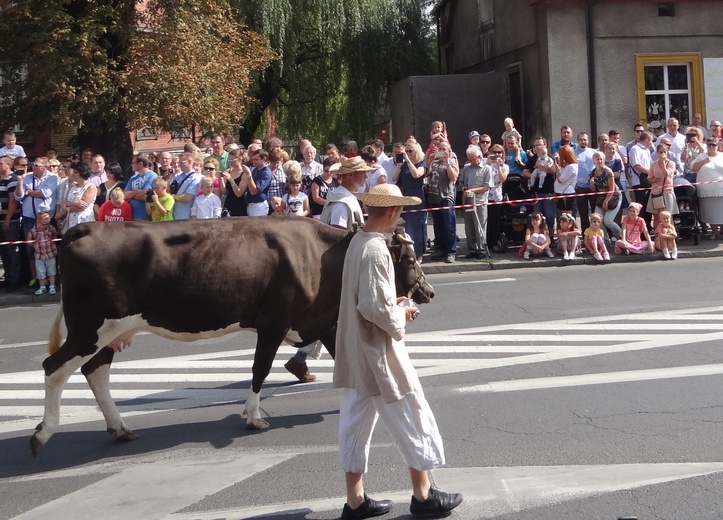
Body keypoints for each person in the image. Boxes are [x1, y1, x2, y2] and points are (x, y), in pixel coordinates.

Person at [334, 182, 463, 520]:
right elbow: (374, 307)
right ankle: (423, 496)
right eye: (400, 211)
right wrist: (401, 313)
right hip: (378, 352)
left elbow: (365, 299)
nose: (400, 217)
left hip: (356, 349)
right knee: (411, 414)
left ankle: (356, 501)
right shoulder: (376, 249)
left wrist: (392, 304)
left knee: (354, 425)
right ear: (390, 211)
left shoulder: (358, 241)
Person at [285, 156, 373, 384]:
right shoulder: (342, 203)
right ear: (351, 176)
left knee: (327, 318)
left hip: (341, 265)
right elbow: (337, 235)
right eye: (362, 172)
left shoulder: (343, 198)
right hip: (340, 267)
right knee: (332, 318)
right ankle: (352, 369)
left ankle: (300, 359)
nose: (365, 175)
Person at [392, 142, 427, 262]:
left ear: (416, 152)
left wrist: (408, 160)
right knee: (406, 225)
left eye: (410, 151)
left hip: (417, 195)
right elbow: (394, 178)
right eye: (405, 152)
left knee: (416, 225)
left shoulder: (421, 164)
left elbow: (416, 174)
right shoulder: (403, 165)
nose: (407, 154)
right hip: (405, 195)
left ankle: (418, 254)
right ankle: (407, 252)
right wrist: (399, 166)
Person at [426, 140, 459, 263]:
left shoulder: (451, 162)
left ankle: (451, 251)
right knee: (438, 225)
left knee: (448, 225)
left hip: (445, 197)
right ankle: (441, 248)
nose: (442, 151)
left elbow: (453, 177)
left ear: (449, 151)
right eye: (440, 149)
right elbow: (427, 173)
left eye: (445, 149)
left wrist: (448, 162)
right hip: (434, 197)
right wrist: (429, 160)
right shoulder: (434, 162)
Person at [460, 146, 492, 258]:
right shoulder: (467, 168)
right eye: (469, 159)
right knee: (469, 227)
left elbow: (487, 187)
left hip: (480, 201)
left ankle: (481, 249)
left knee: (480, 226)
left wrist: (472, 190)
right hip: (468, 200)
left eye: (472, 159)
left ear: (479, 157)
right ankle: (472, 249)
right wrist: (464, 188)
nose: (471, 162)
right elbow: (462, 182)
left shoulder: (487, 169)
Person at [524, 137, 556, 231]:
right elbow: (525, 172)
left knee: (549, 217)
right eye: (536, 145)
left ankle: (550, 237)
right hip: (536, 193)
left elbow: (553, 170)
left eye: (540, 145)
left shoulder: (550, 157)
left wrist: (540, 166)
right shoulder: (532, 159)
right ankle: (539, 237)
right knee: (537, 218)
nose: (537, 147)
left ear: (545, 146)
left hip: (548, 192)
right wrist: (535, 176)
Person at [589, 151, 622, 240]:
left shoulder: (608, 171)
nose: (599, 161)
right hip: (601, 197)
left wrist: (606, 201)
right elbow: (593, 190)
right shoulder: (592, 172)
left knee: (608, 221)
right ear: (593, 160)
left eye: (601, 159)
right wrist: (591, 183)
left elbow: (612, 189)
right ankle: (605, 238)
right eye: (597, 159)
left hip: (614, 196)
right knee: (596, 219)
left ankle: (621, 236)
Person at [0, 156, 22, 291]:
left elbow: (13, 201)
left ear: (8, 165)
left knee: (11, 249)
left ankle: (15, 280)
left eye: (0, 163)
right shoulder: (1, 179)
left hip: (11, 220)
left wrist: (8, 218)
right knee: (3, 250)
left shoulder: (12, 179)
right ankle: (7, 277)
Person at [646, 142, 678, 230]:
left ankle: (671, 236)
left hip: (667, 192)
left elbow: (665, 174)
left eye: (664, 152)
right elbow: (649, 178)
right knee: (656, 216)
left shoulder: (671, 163)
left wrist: (663, 162)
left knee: (667, 216)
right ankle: (658, 237)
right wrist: (654, 180)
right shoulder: (653, 164)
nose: (662, 154)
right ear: (657, 152)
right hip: (656, 193)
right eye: (660, 152)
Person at [27, 212, 58, 295]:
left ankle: (52, 286)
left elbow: (55, 235)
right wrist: (35, 245)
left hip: (50, 254)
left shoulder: (50, 228)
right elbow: (29, 241)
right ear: (38, 221)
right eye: (43, 224)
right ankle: (42, 287)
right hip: (39, 255)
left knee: (52, 271)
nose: (45, 226)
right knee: (40, 272)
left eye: (47, 224)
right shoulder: (33, 231)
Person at [486, 144, 508, 252]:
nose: (497, 154)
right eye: (495, 152)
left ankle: (494, 243)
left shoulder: (505, 166)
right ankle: (485, 242)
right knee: (486, 221)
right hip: (485, 196)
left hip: (496, 197)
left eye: (499, 152)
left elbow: (502, 178)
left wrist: (499, 166)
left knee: (494, 221)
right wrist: (488, 162)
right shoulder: (487, 164)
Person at [124, 155, 158, 221]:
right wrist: (137, 192)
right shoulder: (133, 178)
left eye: (133, 163)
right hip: (132, 215)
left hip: (144, 216)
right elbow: (124, 195)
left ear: (140, 164)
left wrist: (131, 195)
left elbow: (146, 194)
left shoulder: (152, 176)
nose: (131, 165)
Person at [170, 153, 203, 220]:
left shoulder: (195, 178)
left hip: (185, 215)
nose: (179, 165)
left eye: (181, 162)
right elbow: (168, 190)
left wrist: (172, 196)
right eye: (179, 162)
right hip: (173, 214)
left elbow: (187, 198)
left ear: (190, 162)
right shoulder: (177, 176)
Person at [574, 133, 596, 232]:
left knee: (595, 213)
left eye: (585, 139)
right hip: (580, 187)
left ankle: (595, 234)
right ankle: (585, 235)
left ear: (588, 140)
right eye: (581, 139)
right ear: (578, 141)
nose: (583, 141)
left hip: (593, 187)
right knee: (583, 214)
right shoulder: (573, 153)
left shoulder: (594, 152)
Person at [65, 162, 97, 229]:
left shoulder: (90, 187)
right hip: (71, 221)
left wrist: (68, 208)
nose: (73, 174)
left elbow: (82, 206)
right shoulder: (72, 186)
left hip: (84, 221)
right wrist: (74, 203)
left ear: (82, 173)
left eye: (75, 172)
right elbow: (65, 202)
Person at [220, 149, 251, 217]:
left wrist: (231, 179)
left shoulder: (244, 173)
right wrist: (222, 180)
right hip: (228, 203)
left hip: (239, 204)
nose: (230, 162)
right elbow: (224, 192)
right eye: (229, 160)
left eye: (232, 160)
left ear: (240, 160)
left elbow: (239, 194)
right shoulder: (228, 171)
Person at [245, 149, 273, 216]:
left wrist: (249, 176)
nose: (254, 161)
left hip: (259, 205)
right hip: (251, 204)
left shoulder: (266, 173)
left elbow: (254, 191)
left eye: (256, 159)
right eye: (253, 159)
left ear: (264, 159)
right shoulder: (256, 169)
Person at [553, 145, 578, 217]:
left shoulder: (571, 167)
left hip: (566, 194)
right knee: (561, 215)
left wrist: (557, 169)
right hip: (560, 193)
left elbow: (561, 180)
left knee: (566, 216)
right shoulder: (567, 165)